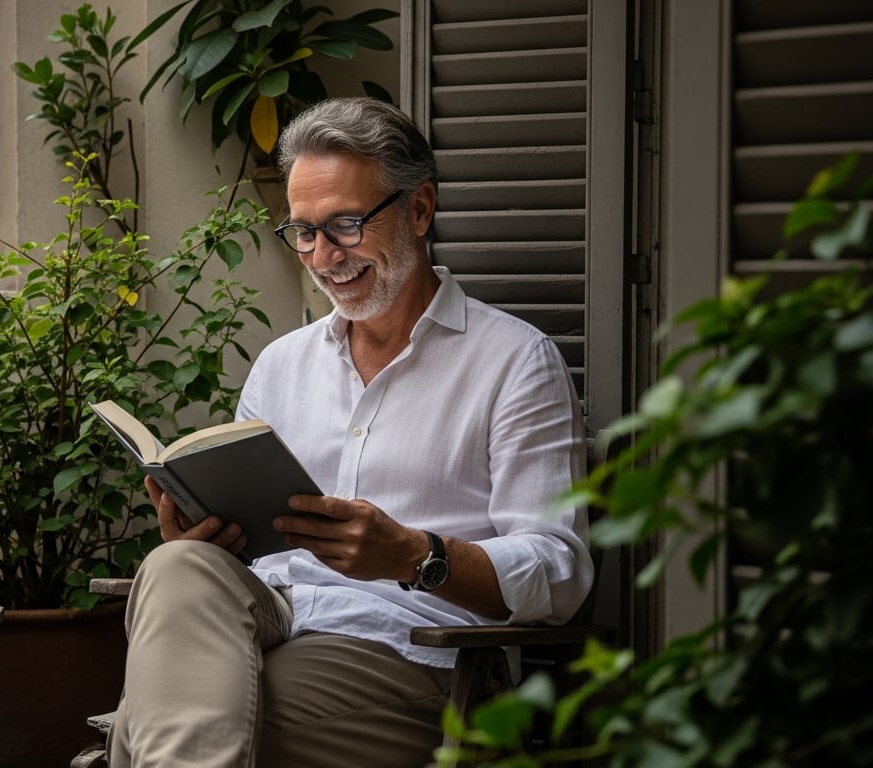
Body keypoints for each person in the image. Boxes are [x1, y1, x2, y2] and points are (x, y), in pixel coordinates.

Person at [105, 96, 592, 767]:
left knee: (154, 723)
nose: (323, 255)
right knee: (178, 564)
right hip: (271, 621)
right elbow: (247, 555)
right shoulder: (283, 364)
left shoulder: (514, 361)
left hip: (419, 659)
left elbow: (559, 574)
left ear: (419, 209)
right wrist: (210, 538)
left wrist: (414, 555)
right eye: (303, 232)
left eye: (345, 225)